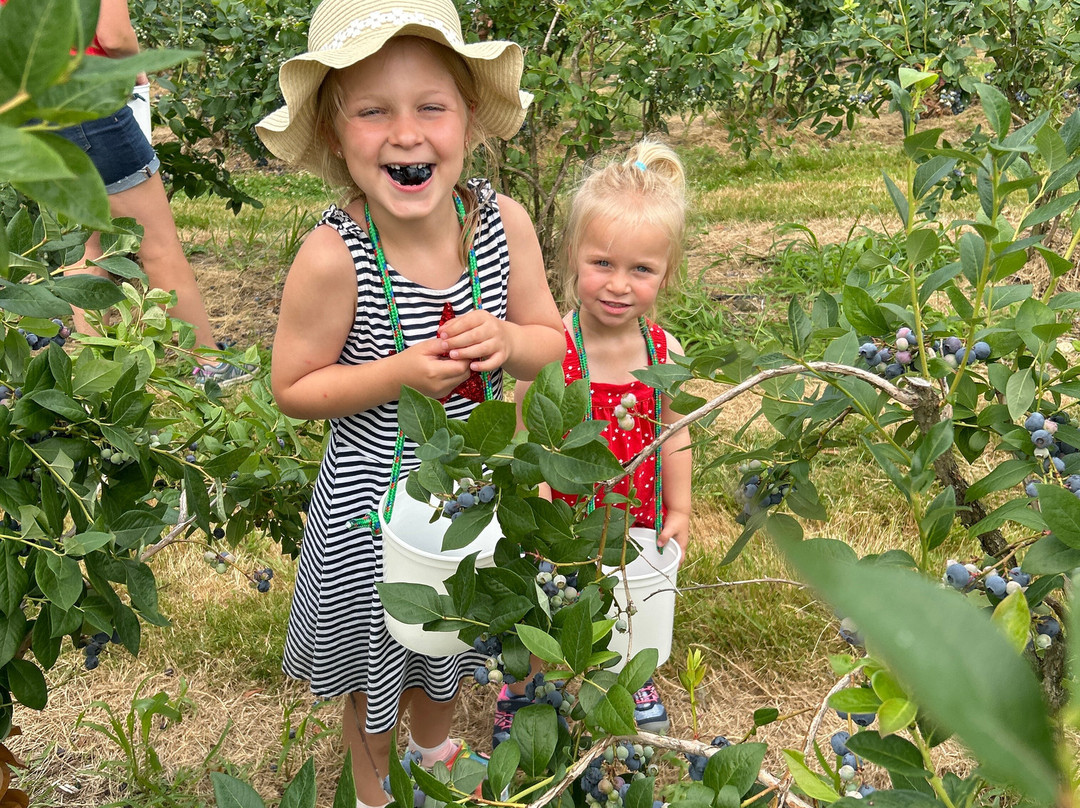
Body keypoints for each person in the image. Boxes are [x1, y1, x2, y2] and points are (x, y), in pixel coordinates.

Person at [255, 0, 564, 804]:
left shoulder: (503, 226)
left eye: (431, 107)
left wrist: (507, 339)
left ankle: (431, 756)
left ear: (469, 119)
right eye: (372, 111)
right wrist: (396, 373)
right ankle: (373, 792)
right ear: (334, 134)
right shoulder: (335, 257)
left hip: (468, 494)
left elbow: (550, 341)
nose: (405, 133)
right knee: (375, 673)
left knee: (446, 648)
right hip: (369, 509)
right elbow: (294, 388)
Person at [507, 139, 693, 742]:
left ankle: (624, 674)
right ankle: (529, 686)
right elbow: (527, 436)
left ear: (666, 273)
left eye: (641, 270)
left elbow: (675, 433)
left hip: (632, 513)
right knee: (552, 599)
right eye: (602, 264)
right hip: (563, 514)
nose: (618, 285)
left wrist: (680, 506)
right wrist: (536, 510)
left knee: (627, 591)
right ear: (572, 257)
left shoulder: (663, 353)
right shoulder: (551, 348)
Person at [53, 0, 248, 385]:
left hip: (34, 101)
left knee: (84, 244)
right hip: (89, 95)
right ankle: (209, 365)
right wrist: (134, 65)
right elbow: (114, 37)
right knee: (157, 246)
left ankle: (96, 370)